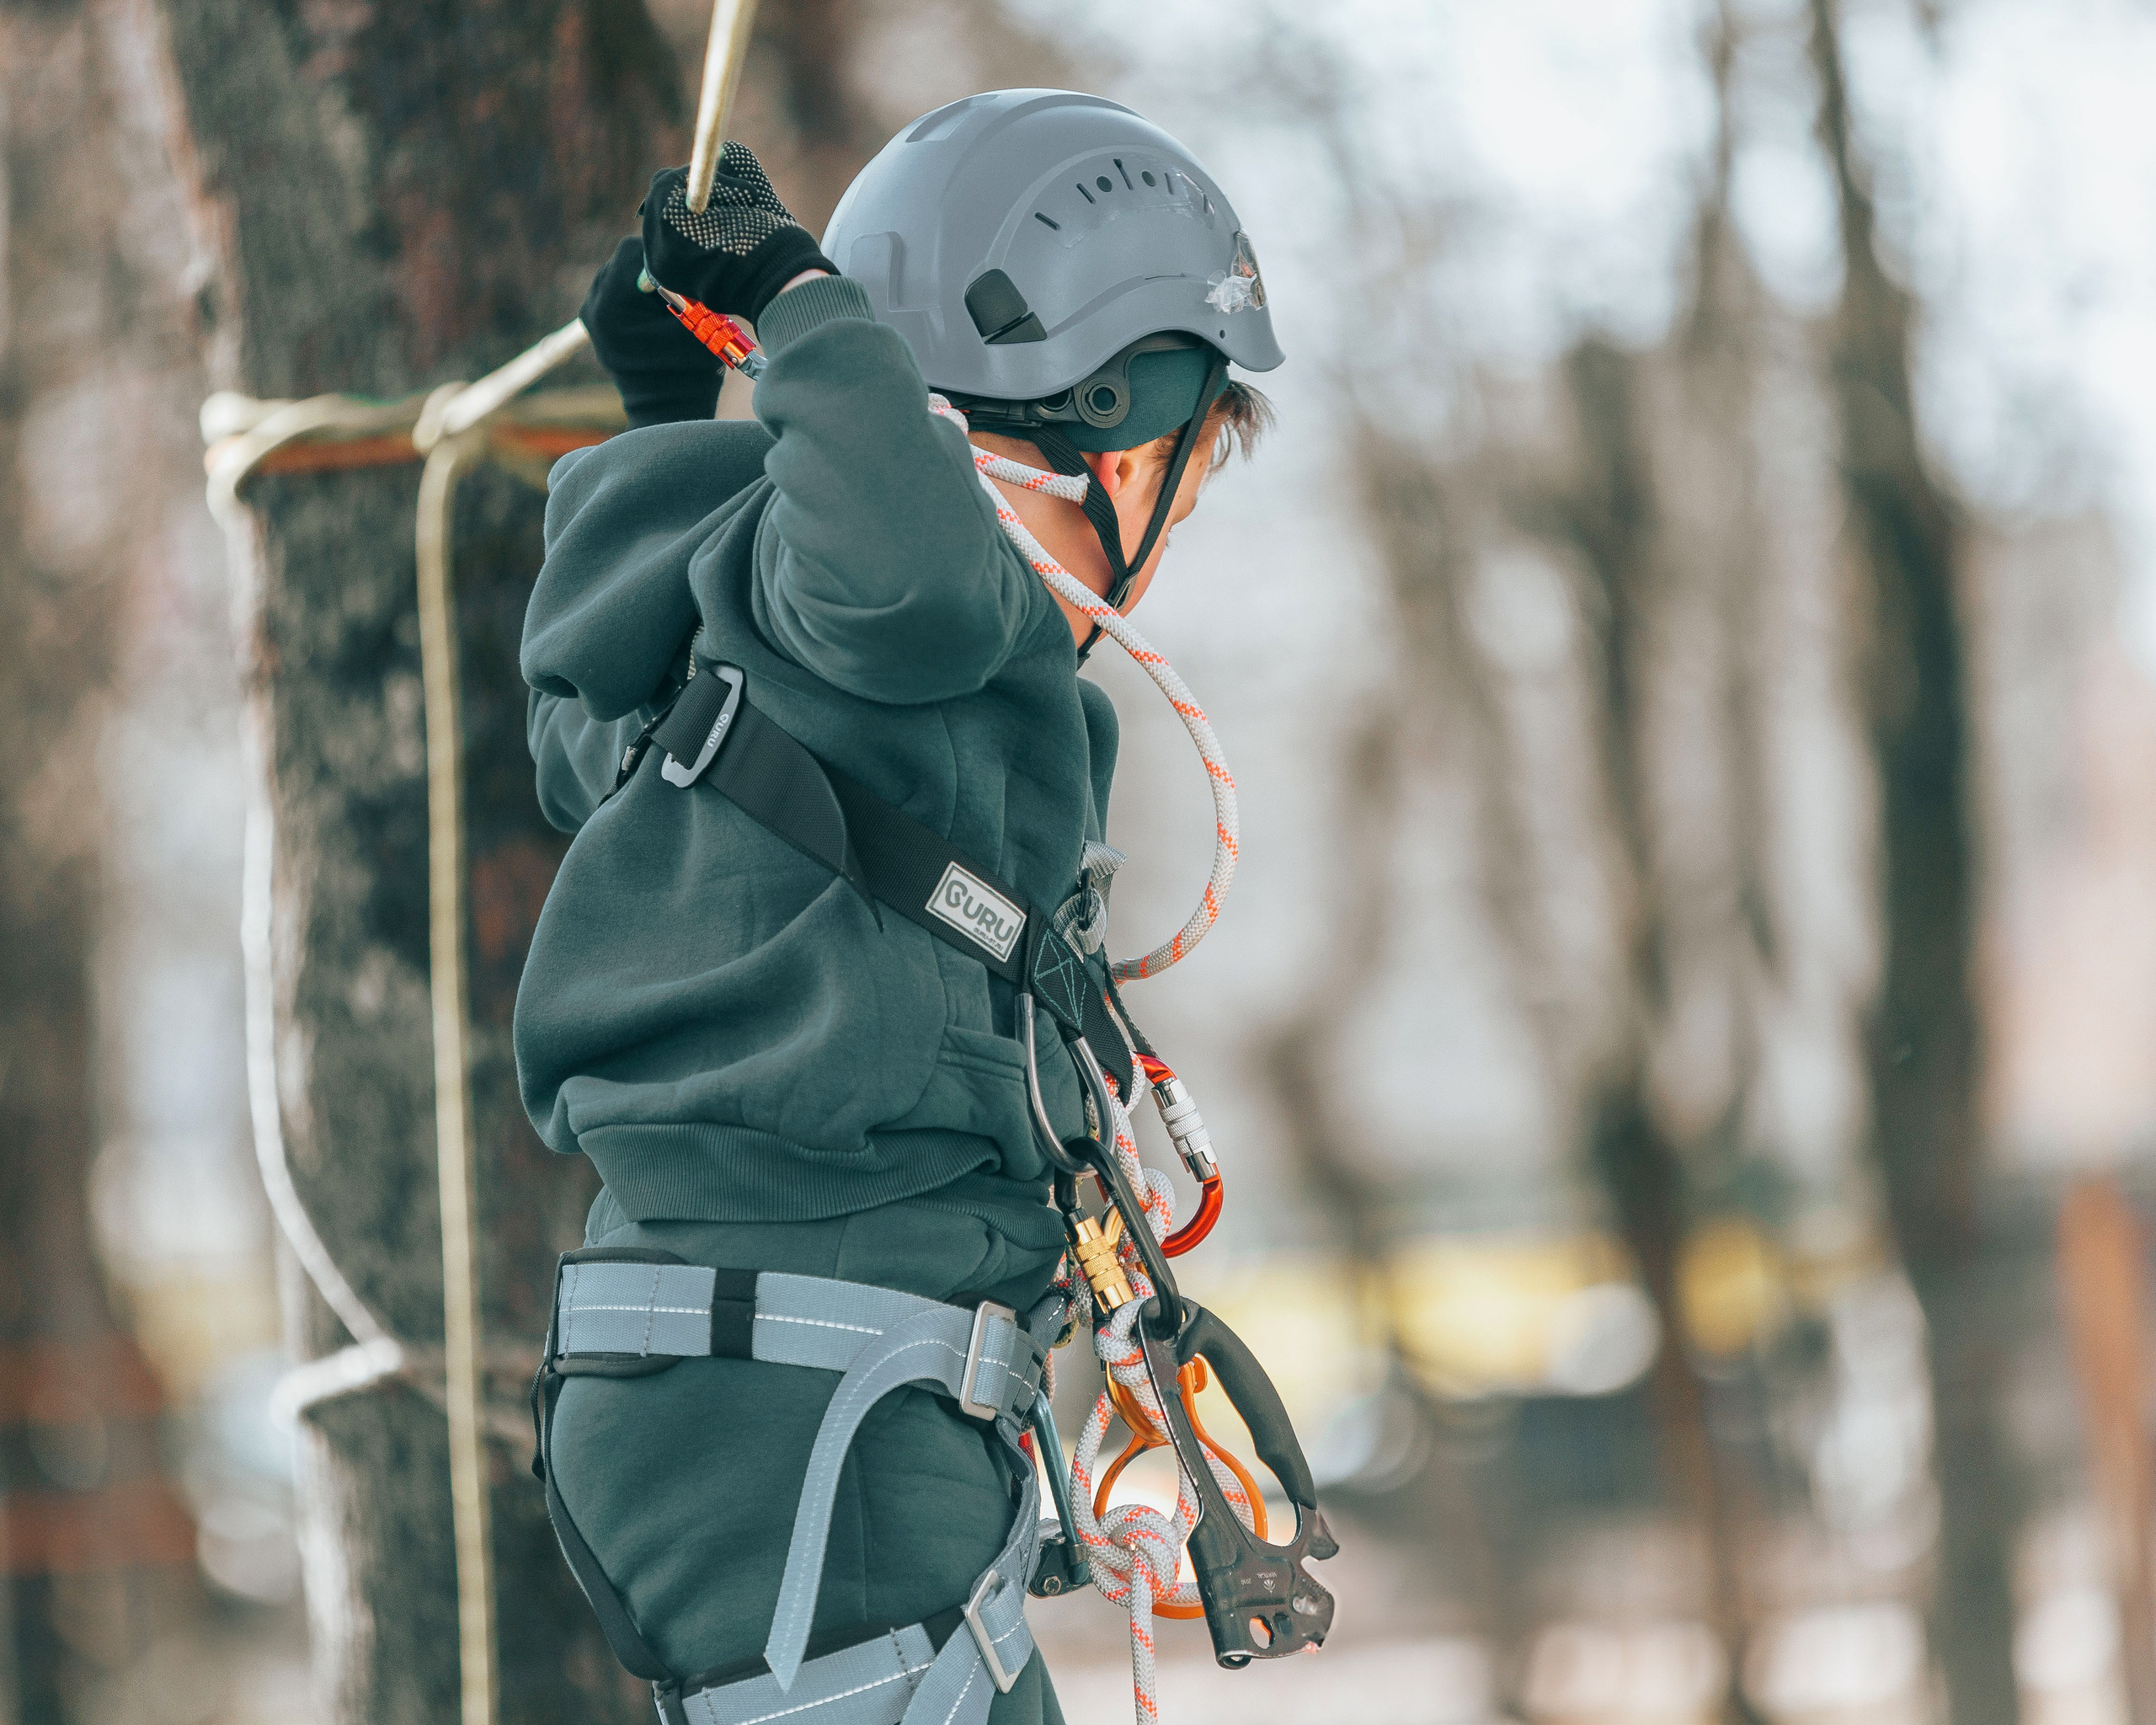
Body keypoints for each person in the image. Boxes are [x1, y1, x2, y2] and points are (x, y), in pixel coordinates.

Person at [515, 88, 1281, 1725]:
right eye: (1178, 481)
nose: (1168, 534)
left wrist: (665, 407)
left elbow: (589, 734)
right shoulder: (925, 623)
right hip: (817, 1400)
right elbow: (914, 574)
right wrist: (801, 315)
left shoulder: (772, 642)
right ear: (1117, 432)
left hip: (749, 1385)